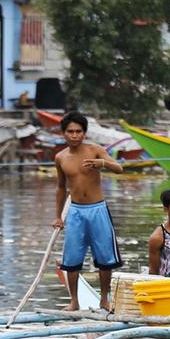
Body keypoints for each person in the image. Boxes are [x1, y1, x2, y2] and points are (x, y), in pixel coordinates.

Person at [54, 111, 125, 312]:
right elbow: (60, 187)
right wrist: (58, 216)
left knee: (105, 258)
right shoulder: (60, 157)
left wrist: (102, 163)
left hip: (98, 210)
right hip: (75, 212)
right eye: (70, 132)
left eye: (78, 131)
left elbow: (119, 168)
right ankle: (74, 301)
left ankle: (104, 299)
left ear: (84, 133)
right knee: (72, 260)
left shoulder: (95, 150)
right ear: (64, 134)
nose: (75, 135)